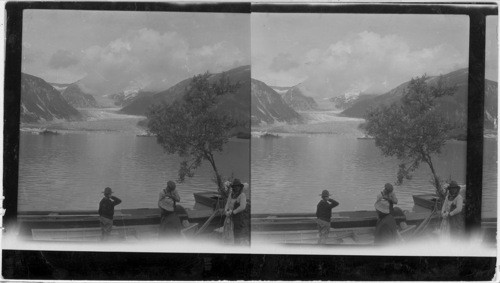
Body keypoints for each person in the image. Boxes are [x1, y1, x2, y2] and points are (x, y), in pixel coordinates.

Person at [224, 179, 249, 245]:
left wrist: (233, 212)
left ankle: (236, 244)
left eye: (238, 186)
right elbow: (227, 203)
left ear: (240, 187)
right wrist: (226, 211)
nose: (236, 188)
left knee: (237, 232)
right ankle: (229, 243)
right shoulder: (231, 195)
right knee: (228, 231)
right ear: (233, 187)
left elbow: (242, 207)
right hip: (229, 215)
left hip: (238, 216)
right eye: (235, 186)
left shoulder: (242, 195)